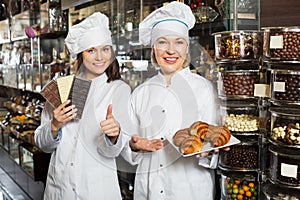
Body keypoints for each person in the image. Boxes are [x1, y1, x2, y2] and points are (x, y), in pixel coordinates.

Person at [34, 12, 162, 200]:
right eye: (91, 50)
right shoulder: (62, 88)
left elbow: (118, 150)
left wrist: (114, 137)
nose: (99, 57)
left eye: (105, 49)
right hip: (59, 188)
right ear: (81, 54)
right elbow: (42, 144)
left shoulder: (119, 90)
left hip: (97, 189)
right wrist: (54, 126)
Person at [130, 2, 222, 199]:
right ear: (154, 49)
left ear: (187, 48)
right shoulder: (140, 93)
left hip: (189, 191)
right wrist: (134, 145)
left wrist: (209, 151)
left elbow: (216, 145)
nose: (171, 51)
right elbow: (129, 147)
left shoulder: (205, 89)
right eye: (163, 42)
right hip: (148, 190)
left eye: (178, 42)